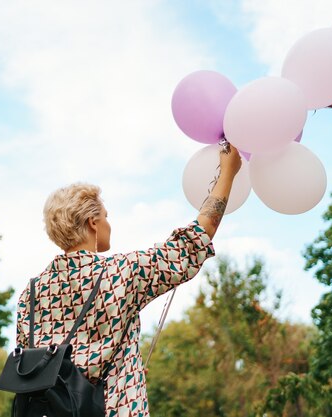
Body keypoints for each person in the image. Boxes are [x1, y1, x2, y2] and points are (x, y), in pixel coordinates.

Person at [15, 144, 242, 416]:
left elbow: (40, 369)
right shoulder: (121, 272)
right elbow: (193, 241)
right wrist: (228, 172)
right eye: (106, 217)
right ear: (92, 222)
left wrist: (127, 368)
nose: (109, 224)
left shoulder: (30, 293)